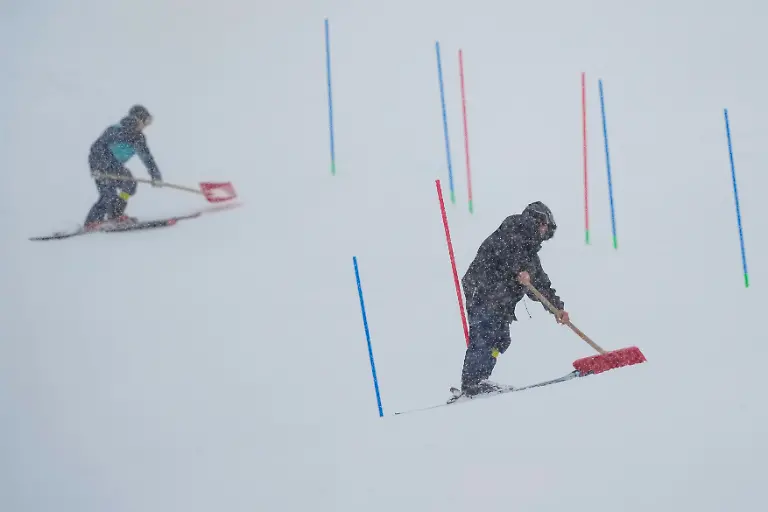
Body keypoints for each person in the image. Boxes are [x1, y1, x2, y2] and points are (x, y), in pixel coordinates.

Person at [459, 201, 570, 396]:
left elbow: (541, 284)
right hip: (483, 290)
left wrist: (556, 308)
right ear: (537, 220)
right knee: (485, 333)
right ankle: (472, 383)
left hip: (500, 301)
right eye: (545, 227)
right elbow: (507, 250)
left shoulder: (530, 255)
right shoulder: (513, 227)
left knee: (500, 339)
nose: (545, 233)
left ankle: (481, 379)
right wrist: (518, 269)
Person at [83, 105, 164, 230]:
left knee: (130, 184)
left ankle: (116, 214)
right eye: (146, 121)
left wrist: (155, 175)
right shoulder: (115, 131)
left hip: (115, 166)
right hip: (100, 165)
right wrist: (98, 169)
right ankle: (92, 222)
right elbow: (96, 149)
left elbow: (147, 158)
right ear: (139, 119)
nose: (147, 125)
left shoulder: (139, 138)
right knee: (108, 194)